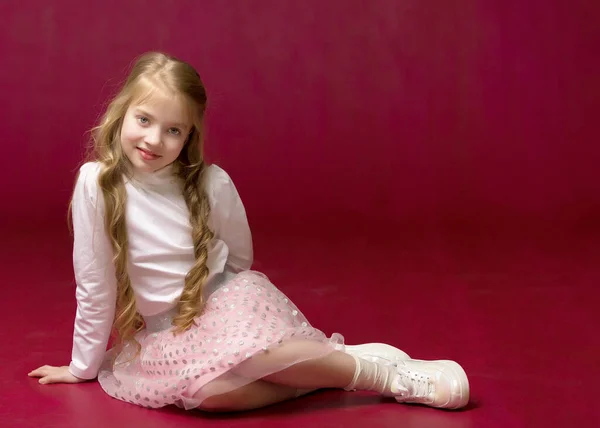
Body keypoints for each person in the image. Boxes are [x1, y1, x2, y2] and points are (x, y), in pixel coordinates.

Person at [28, 52, 469, 412]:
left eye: (173, 129)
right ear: (122, 111)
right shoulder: (97, 183)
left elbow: (239, 257)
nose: (154, 139)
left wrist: (231, 317)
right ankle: (332, 368)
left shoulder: (209, 183)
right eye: (144, 120)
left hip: (225, 300)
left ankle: (385, 377)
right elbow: (94, 283)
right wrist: (81, 366)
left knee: (255, 355)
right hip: (168, 330)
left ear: (189, 136)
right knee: (208, 396)